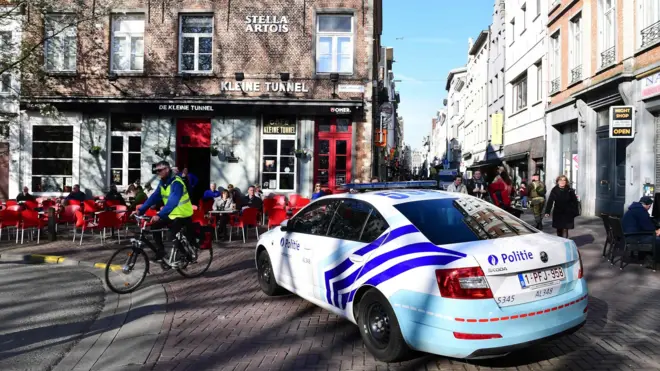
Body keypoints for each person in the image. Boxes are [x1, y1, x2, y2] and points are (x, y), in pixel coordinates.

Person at [137, 161, 195, 262]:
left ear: (167, 170)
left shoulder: (177, 183)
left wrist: (159, 215)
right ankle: (161, 251)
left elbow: (172, 202)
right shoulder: (163, 183)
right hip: (171, 213)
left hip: (182, 214)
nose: (158, 173)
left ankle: (185, 255)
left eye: (160, 170)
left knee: (171, 234)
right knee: (155, 225)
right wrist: (141, 210)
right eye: (156, 171)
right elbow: (154, 197)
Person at [622, 196, 660, 266]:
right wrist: (657, 230)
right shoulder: (641, 211)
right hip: (634, 237)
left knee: (653, 235)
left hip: (628, 235)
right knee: (657, 239)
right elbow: (649, 228)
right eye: (649, 206)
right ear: (648, 205)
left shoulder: (634, 209)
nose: (649, 208)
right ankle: (654, 261)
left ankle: (644, 256)